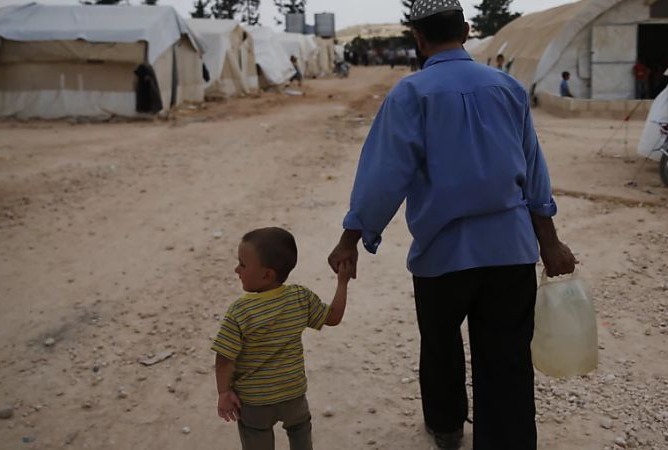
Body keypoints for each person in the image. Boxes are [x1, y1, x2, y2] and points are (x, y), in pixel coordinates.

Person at [327, 1, 577, 449]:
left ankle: (446, 428)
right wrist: (551, 243)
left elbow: (384, 177)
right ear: (465, 31)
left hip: (441, 258)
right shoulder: (508, 88)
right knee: (506, 357)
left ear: (418, 40)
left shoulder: (410, 95)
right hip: (510, 253)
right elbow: (534, 173)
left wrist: (352, 236)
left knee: (441, 346)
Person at [213, 227, 353, 450]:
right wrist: (342, 282)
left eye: (242, 264)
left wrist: (223, 392)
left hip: (255, 403)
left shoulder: (240, 311)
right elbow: (333, 317)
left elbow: (224, 358)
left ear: (267, 274)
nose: (236, 269)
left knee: (256, 439)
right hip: (294, 396)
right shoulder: (299, 297)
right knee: (300, 434)